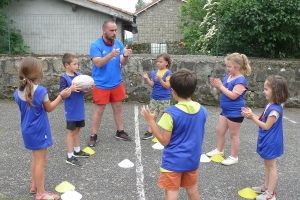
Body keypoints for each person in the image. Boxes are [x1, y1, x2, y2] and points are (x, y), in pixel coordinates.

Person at [141, 68, 207, 200]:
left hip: (173, 161)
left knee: (172, 192)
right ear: (193, 90)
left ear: (173, 91)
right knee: (192, 190)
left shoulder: (170, 113)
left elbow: (164, 141)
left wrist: (151, 122)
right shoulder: (202, 110)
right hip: (192, 159)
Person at [14, 57, 71, 200]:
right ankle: (41, 193)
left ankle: (34, 186)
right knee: (41, 162)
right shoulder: (41, 91)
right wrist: (61, 96)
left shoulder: (17, 92)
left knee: (36, 158)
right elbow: (49, 108)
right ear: (37, 73)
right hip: (39, 131)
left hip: (27, 130)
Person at [241, 75, 289, 200]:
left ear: (276, 92)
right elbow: (263, 119)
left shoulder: (275, 110)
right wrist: (251, 115)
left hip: (271, 142)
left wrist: (251, 117)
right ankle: (266, 187)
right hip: (269, 140)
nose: (264, 91)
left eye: (266, 89)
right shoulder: (270, 105)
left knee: (271, 166)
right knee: (267, 164)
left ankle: (270, 194)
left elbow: (266, 126)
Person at [88, 20, 133, 147]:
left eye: (115, 30)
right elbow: (98, 63)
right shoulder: (95, 45)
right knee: (99, 110)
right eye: (111, 30)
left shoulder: (118, 43)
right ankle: (93, 135)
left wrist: (125, 55)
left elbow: (123, 63)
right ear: (104, 30)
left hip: (116, 83)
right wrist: (110, 54)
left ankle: (120, 131)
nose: (114, 33)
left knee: (118, 108)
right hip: (101, 84)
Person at [206, 53, 251, 165]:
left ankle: (234, 157)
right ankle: (219, 150)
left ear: (237, 67)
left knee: (233, 135)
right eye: (227, 66)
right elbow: (223, 91)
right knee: (220, 130)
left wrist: (221, 86)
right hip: (225, 111)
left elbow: (233, 95)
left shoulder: (240, 80)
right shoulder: (228, 77)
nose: (227, 68)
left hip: (235, 112)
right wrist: (217, 86)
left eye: (229, 66)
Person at [60, 53, 91, 166]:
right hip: (71, 110)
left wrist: (90, 89)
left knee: (78, 129)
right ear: (66, 65)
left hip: (79, 108)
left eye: (77, 64)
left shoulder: (79, 76)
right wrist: (71, 89)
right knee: (71, 132)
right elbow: (63, 95)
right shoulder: (64, 79)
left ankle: (77, 150)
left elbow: (83, 91)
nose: (77, 66)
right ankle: (69, 156)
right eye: (74, 64)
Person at [141, 53, 172, 140]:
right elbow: (152, 85)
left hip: (164, 99)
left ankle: (166, 133)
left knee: (164, 116)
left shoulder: (168, 72)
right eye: (157, 62)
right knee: (152, 115)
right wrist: (147, 78)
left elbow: (167, 86)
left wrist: (161, 80)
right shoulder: (154, 73)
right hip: (154, 97)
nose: (158, 63)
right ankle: (150, 132)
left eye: (160, 62)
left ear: (166, 63)